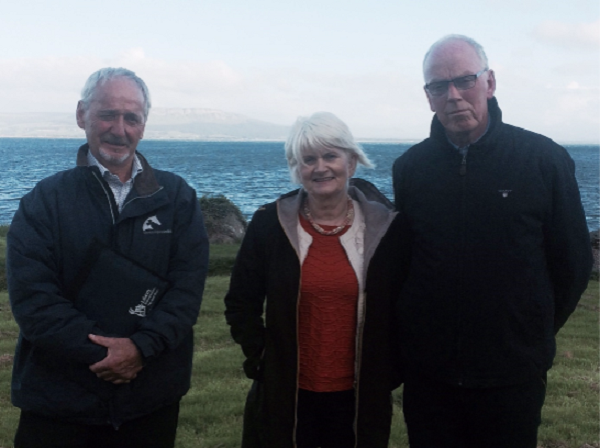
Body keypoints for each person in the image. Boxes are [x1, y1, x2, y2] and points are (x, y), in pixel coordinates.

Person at [392, 34, 594, 448]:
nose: (453, 95)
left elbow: (571, 264)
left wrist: (530, 332)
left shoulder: (543, 160)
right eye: (438, 86)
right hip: (430, 374)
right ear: (427, 96)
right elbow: (405, 264)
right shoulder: (410, 169)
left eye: (465, 80)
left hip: (513, 374)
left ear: (490, 83)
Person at [7, 67, 209, 448]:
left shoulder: (177, 198)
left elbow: (186, 292)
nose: (119, 128)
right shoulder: (45, 201)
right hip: (58, 405)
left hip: (150, 403)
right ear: (82, 114)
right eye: (107, 114)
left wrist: (141, 349)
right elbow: (34, 302)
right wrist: (111, 355)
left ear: (143, 125)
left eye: (131, 117)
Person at [225, 112, 406, 448]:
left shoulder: (385, 228)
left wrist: (390, 370)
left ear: (351, 162)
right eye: (308, 159)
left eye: (330, 156)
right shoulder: (270, 224)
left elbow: (402, 306)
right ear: (297, 168)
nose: (320, 167)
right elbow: (240, 302)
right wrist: (261, 357)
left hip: (360, 395)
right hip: (287, 392)